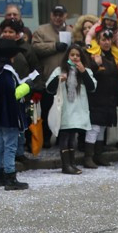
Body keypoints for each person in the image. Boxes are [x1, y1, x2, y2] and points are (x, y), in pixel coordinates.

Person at [0, 37, 30, 190]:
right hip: (9, 115)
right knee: (10, 146)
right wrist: (27, 86)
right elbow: (13, 94)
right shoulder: (6, 72)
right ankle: (10, 177)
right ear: (11, 55)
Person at [46, 43, 96, 174]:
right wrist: (58, 79)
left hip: (78, 110)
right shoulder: (60, 70)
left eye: (77, 55)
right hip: (64, 110)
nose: (75, 57)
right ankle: (66, 165)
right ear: (67, 56)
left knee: (72, 136)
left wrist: (83, 72)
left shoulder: (86, 71)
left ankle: (72, 163)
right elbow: (49, 89)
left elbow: (92, 87)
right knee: (64, 137)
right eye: (72, 54)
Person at [32, 5, 70, 151]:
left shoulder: (70, 31)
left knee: (64, 110)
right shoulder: (41, 30)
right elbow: (35, 48)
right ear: (51, 15)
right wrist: (54, 46)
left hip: (66, 79)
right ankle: (46, 138)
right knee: (47, 109)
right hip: (48, 78)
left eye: (61, 15)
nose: (58, 18)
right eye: (55, 14)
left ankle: (61, 138)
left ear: (65, 16)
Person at [82, 30, 118, 169]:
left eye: (109, 40)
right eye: (103, 39)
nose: (106, 42)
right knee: (94, 128)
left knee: (103, 128)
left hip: (109, 98)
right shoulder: (92, 55)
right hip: (96, 97)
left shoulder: (113, 56)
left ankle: (98, 155)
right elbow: (87, 73)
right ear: (98, 41)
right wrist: (95, 64)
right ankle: (88, 157)